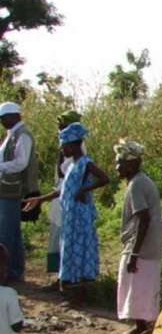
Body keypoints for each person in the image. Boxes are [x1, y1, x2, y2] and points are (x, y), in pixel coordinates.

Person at [24, 123, 109, 306]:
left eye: (64, 146)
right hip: (71, 217)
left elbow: (105, 178)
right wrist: (39, 199)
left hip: (80, 217)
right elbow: (61, 191)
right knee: (70, 252)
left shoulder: (86, 163)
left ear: (73, 145)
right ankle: (72, 294)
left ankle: (79, 297)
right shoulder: (71, 165)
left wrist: (84, 189)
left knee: (79, 253)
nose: (62, 150)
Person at [115, 139, 162, 334]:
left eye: (120, 162)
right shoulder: (138, 182)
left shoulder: (137, 185)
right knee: (140, 284)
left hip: (143, 244)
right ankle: (143, 324)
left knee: (139, 283)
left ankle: (144, 325)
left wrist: (134, 252)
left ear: (132, 164)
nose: (117, 166)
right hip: (145, 242)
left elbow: (143, 218)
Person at [0, 101, 39, 283]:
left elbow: (21, 162)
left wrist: (1, 167)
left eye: (3, 118)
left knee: (7, 233)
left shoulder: (22, 135)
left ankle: (9, 272)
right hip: (6, 189)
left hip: (12, 190)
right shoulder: (12, 134)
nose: (2, 122)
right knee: (12, 232)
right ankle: (15, 270)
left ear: (13, 116)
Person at [46, 110, 83, 279]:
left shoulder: (76, 149)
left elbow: (67, 174)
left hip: (67, 196)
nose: (59, 127)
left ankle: (65, 278)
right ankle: (60, 276)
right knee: (57, 233)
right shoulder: (65, 145)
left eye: (62, 124)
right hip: (60, 193)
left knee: (63, 236)